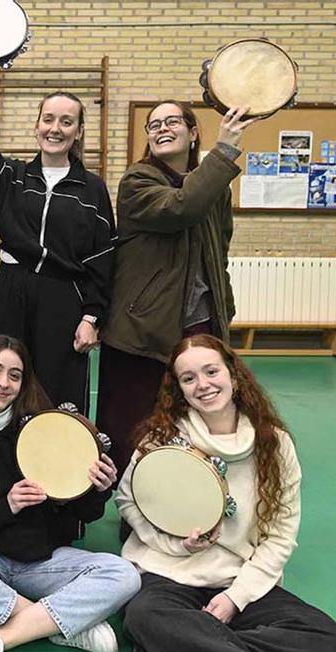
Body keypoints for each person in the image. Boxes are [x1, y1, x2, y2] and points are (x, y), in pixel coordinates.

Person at [117, 334, 336, 652]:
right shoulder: (162, 439)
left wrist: (235, 598)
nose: (203, 384)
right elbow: (128, 500)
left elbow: (281, 535)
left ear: (233, 374)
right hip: (168, 576)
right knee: (144, 615)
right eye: (189, 378)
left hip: (238, 579)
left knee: (332, 644)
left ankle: (177, 651)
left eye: (211, 371)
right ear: (179, 390)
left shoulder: (274, 444)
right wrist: (177, 545)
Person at [0, 335, 140, 652]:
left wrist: (98, 489)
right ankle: (60, 626)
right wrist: (5, 505)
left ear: (24, 382)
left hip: (43, 562)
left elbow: (84, 513)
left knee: (124, 574)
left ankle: (3, 634)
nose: (3, 383)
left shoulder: (47, 429)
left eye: (15, 375)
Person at [0, 43, 116, 415]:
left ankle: (59, 468)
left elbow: (103, 258)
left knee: (58, 394)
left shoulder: (92, 189)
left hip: (63, 299)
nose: (55, 129)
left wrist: (92, 317)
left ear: (78, 131)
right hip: (10, 290)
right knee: (1, 386)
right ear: (37, 125)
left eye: (66, 121)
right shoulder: (11, 176)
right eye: (48, 119)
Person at [97, 101, 254, 476]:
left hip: (200, 325)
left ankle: (189, 500)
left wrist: (223, 308)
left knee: (196, 420)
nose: (161, 128)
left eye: (172, 121)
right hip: (143, 331)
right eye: (154, 125)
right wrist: (226, 150)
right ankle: (133, 507)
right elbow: (181, 207)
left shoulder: (213, 185)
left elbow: (221, 246)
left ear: (193, 132)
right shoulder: (138, 181)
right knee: (134, 426)